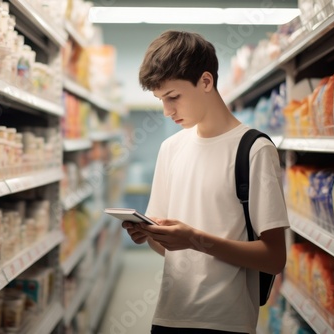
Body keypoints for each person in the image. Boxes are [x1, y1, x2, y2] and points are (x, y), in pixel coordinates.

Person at [122, 30, 290, 334]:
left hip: (227, 322)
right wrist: (150, 235)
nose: (167, 111)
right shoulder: (170, 149)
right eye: (161, 100)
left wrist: (195, 239)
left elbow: (275, 259)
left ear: (206, 81)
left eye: (173, 97)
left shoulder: (254, 149)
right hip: (169, 316)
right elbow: (168, 251)